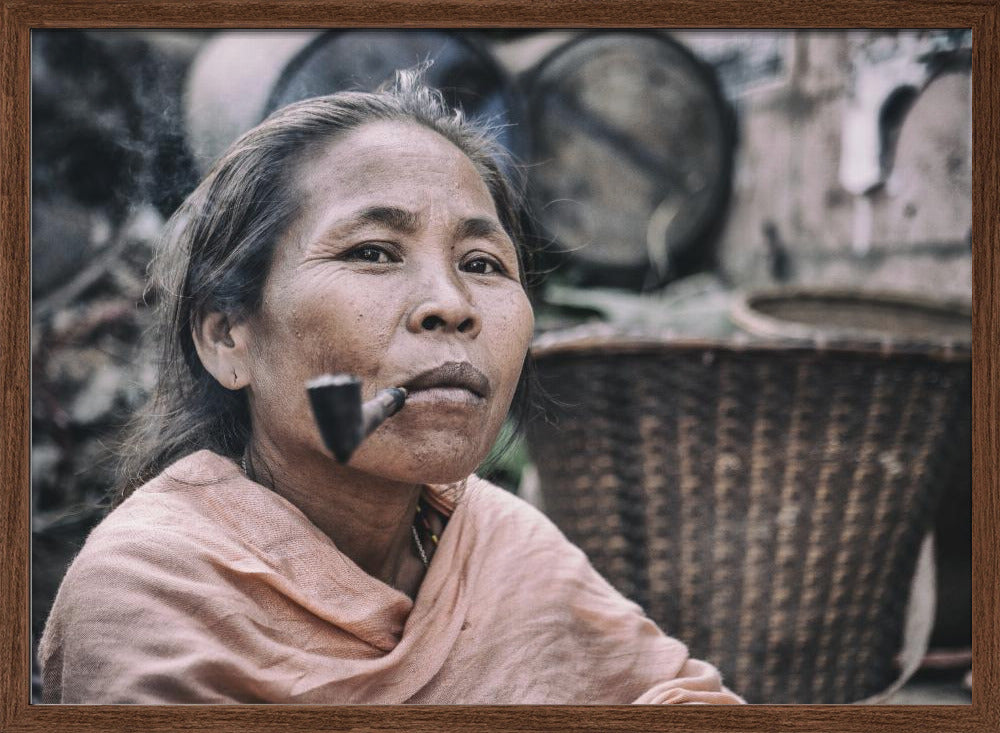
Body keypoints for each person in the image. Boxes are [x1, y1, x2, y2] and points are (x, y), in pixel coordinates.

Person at [38, 71, 744, 705]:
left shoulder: (497, 543)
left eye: (482, 262)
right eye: (372, 252)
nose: (452, 304)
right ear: (228, 337)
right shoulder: (153, 591)